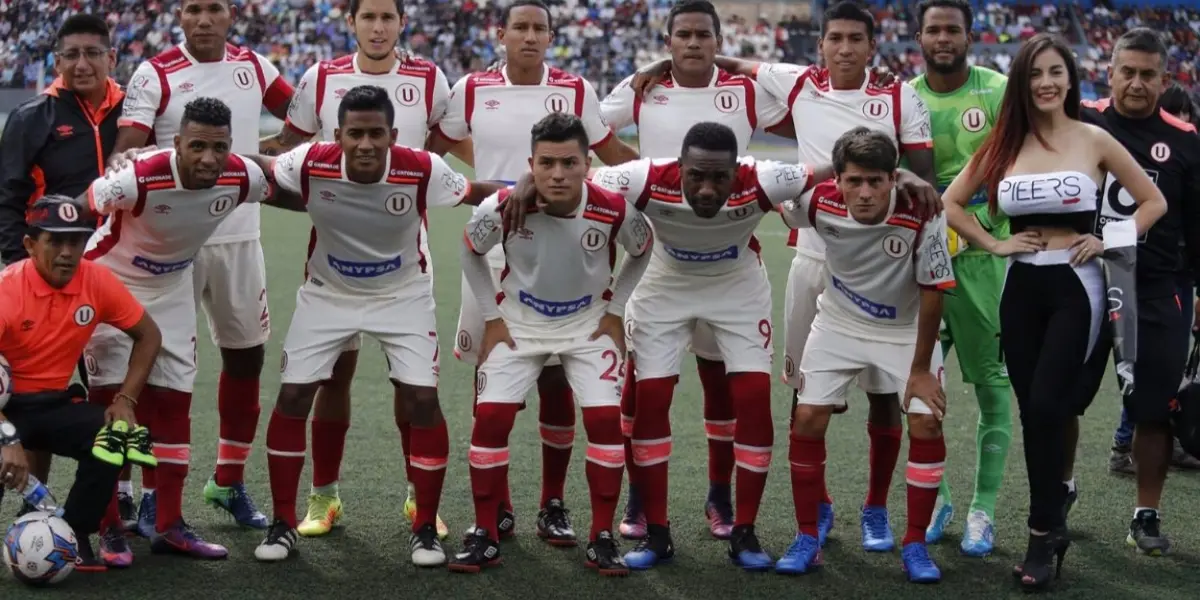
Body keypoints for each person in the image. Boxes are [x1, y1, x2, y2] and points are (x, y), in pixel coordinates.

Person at [680, 0, 936, 551]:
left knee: (885, 392)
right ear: (820, 44)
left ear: (873, 47)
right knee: (805, 392)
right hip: (815, 254)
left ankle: (875, 509)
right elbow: (733, 64)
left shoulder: (899, 93)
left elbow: (922, 172)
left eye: (855, 40)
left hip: (883, 265)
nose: (844, 48)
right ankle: (817, 507)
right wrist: (662, 67)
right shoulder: (797, 83)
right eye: (835, 38)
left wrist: (908, 182)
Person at [941, 33, 1166, 590]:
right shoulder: (1004, 140)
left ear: (1071, 79)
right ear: (1023, 81)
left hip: (1077, 285)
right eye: (1036, 73)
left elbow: (1152, 201)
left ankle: (1042, 532)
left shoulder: (1094, 138)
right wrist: (994, 245)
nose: (1046, 82)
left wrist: (1111, 239)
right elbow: (950, 201)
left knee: (1047, 405)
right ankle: (1051, 527)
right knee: (1033, 410)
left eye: (1056, 72)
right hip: (1020, 286)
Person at [250, 85, 509, 567]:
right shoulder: (309, 161)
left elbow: (476, 193)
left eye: (375, 134)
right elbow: (256, 168)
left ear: (392, 135)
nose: (365, 144)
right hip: (328, 292)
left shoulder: (423, 167)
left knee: (422, 399)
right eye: (354, 134)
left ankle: (425, 526)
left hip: (402, 293)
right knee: (293, 395)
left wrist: (527, 189)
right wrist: (162, 153)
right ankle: (282, 522)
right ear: (338, 135)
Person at [428, 0, 640, 543]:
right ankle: (495, 507)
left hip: (561, 242)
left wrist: (655, 189)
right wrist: (506, 184)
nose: (528, 36)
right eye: (518, 27)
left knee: (555, 377)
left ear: (551, 36)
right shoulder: (471, 88)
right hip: (495, 240)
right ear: (501, 34)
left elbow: (604, 151)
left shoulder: (575, 89)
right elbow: (437, 145)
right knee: (490, 373)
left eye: (537, 28)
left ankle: (552, 502)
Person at [259, 0, 469, 541]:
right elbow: (290, 148)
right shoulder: (320, 76)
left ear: (402, 23)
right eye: (368, 17)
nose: (378, 27)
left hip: (403, 248)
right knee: (333, 374)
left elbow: (445, 141)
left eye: (388, 17)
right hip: (334, 251)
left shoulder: (429, 78)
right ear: (350, 21)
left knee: (411, 383)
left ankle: (415, 498)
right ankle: (323, 496)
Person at [597, 0, 793, 541]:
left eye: (703, 35)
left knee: (721, 382)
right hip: (655, 254)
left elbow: (818, 107)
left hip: (726, 245)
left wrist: (745, 64)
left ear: (717, 39)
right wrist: (631, 170)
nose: (692, 43)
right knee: (641, 387)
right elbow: (587, 121)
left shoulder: (746, 91)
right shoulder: (643, 89)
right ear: (667, 41)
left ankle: (719, 496)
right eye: (681, 35)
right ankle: (639, 502)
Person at [111, 0, 295, 532]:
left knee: (246, 360)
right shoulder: (156, 72)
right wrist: (125, 161)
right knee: (156, 371)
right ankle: (138, 491)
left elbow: (301, 123)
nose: (205, 18)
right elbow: (129, 147)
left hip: (239, 238)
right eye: (194, 8)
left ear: (230, 16)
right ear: (181, 17)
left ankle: (228, 481)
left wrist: (259, 156)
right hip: (170, 246)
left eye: (215, 8)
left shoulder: (254, 67)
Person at [449, 113, 653, 575]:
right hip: (518, 324)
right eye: (546, 164)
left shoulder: (615, 209)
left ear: (587, 164)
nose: (558, 174)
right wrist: (493, 318)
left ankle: (601, 537)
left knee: (604, 421)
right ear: (531, 164)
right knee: (491, 418)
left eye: (569, 163)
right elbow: (468, 250)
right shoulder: (504, 207)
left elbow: (643, 249)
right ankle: (486, 531)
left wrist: (616, 309)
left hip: (587, 328)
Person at [83, 97, 279, 560]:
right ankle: (108, 525)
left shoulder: (240, 175)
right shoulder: (139, 174)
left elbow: (289, 184)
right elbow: (80, 207)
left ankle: (168, 525)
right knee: (109, 408)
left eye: (220, 147)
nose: (209, 159)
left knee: (174, 403)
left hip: (171, 286)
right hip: (110, 284)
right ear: (176, 144)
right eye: (197, 147)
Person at [777, 127, 952, 582]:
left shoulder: (924, 210)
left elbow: (935, 292)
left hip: (904, 329)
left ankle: (914, 543)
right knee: (809, 416)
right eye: (854, 180)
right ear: (837, 180)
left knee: (926, 420)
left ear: (894, 178)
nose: (865, 192)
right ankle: (807, 534)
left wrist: (920, 372)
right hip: (838, 323)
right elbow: (775, 197)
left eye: (876, 180)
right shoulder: (818, 202)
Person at [1074, 30, 1200, 555]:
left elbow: (1196, 228)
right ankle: (1058, 498)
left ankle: (1144, 515)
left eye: (1149, 74)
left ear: (1165, 79)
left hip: (1154, 289)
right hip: (1080, 282)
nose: (1137, 83)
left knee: (1153, 407)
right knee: (1063, 401)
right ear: (1110, 71)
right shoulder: (1078, 118)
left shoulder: (1187, 138)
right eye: (1128, 71)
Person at [0, 14, 126, 517]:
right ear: (56, 61)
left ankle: (120, 504)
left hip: (118, 275)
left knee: (111, 388)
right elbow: (7, 199)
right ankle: (35, 512)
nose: (82, 64)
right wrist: (23, 270)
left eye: (93, 53)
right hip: (48, 277)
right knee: (41, 395)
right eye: (71, 55)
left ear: (111, 58)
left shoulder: (134, 114)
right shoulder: (34, 117)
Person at [0, 195, 161, 570]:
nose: (67, 252)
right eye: (55, 241)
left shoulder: (96, 280)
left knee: (113, 436)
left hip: (54, 403)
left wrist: (126, 399)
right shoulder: (6, 290)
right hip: (7, 408)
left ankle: (73, 534)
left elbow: (148, 335)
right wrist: (7, 439)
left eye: (76, 241)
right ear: (29, 244)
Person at [909, 0, 1011, 555]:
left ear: (970, 35)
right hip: (919, 262)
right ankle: (940, 499)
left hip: (979, 260)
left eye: (953, 28)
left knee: (991, 382)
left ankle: (983, 509)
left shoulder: (996, 91)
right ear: (919, 36)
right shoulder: (905, 98)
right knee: (918, 378)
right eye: (934, 29)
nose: (943, 37)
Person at [1108, 79, 1200, 476]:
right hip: (1136, 273)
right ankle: (1123, 442)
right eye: (1173, 111)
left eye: (1186, 114)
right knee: (1135, 366)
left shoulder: (1187, 149)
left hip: (1176, 276)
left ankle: (1168, 439)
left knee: (1165, 368)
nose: (1180, 120)